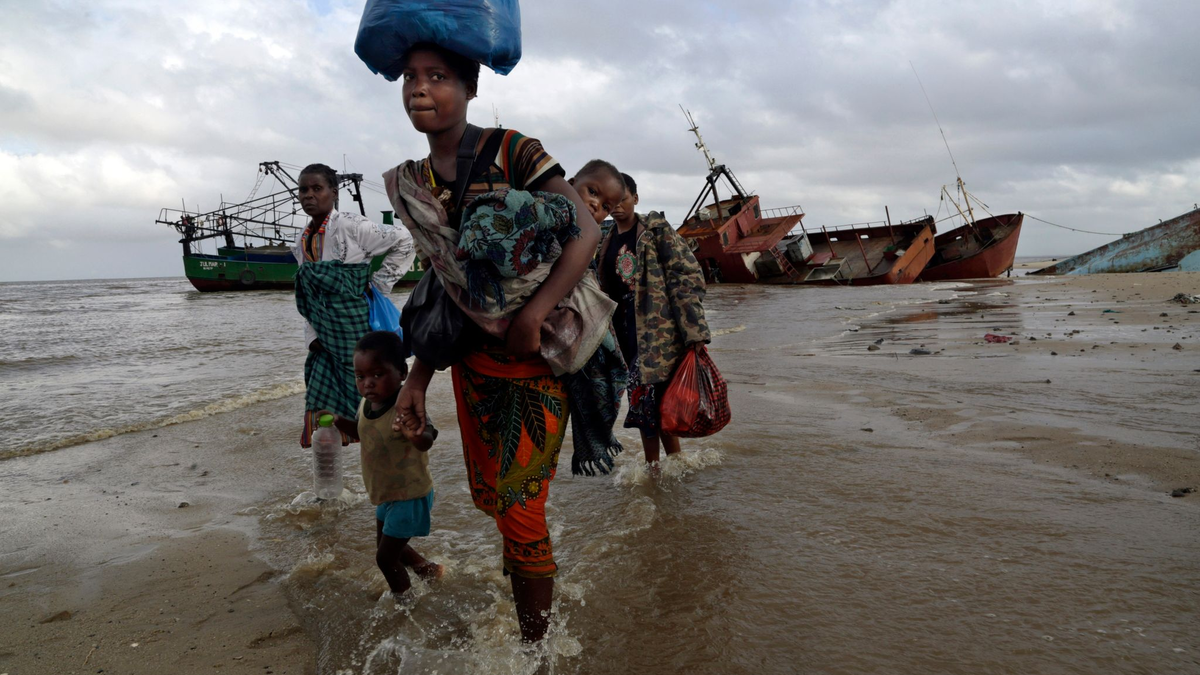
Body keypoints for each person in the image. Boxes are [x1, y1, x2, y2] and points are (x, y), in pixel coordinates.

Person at [380, 42, 608, 643]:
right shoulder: (417, 180)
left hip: (539, 359)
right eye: (410, 77)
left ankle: (535, 653)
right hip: (474, 367)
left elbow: (583, 232)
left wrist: (534, 311)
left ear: (471, 88)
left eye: (438, 77)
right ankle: (531, 620)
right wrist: (416, 380)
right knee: (502, 505)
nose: (420, 89)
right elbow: (445, 290)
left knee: (521, 507)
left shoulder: (514, 149)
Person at [291, 163, 416, 447]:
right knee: (323, 387)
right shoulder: (301, 239)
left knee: (367, 386)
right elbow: (309, 297)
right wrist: (312, 337)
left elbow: (404, 240)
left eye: (316, 188)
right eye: (303, 189)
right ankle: (339, 457)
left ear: (333, 193)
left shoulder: (350, 225)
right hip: (324, 331)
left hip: (353, 322)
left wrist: (380, 284)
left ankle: (389, 443)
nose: (308, 195)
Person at [598, 173, 711, 466]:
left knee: (648, 399)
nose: (618, 206)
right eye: (611, 201)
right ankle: (667, 467)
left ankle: (660, 468)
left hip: (657, 332)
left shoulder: (655, 232)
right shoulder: (606, 239)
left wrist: (695, 332)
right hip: (624, 332)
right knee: (649, 401)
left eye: (623, 199)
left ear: (636, 198)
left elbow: (686, 277)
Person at [332, 331, 442, 597]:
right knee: (390, 546)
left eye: (377, 375)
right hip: (386, 494)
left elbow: (428, 437)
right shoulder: (367, 404)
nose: (368, 384)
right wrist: (338, 422)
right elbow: (367, 433)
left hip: (409, 495)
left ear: (403, 372)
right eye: (361, 377)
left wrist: (415, 433)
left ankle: (406, 603)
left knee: (385, 558)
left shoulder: (404, 407)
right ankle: (427, 570)